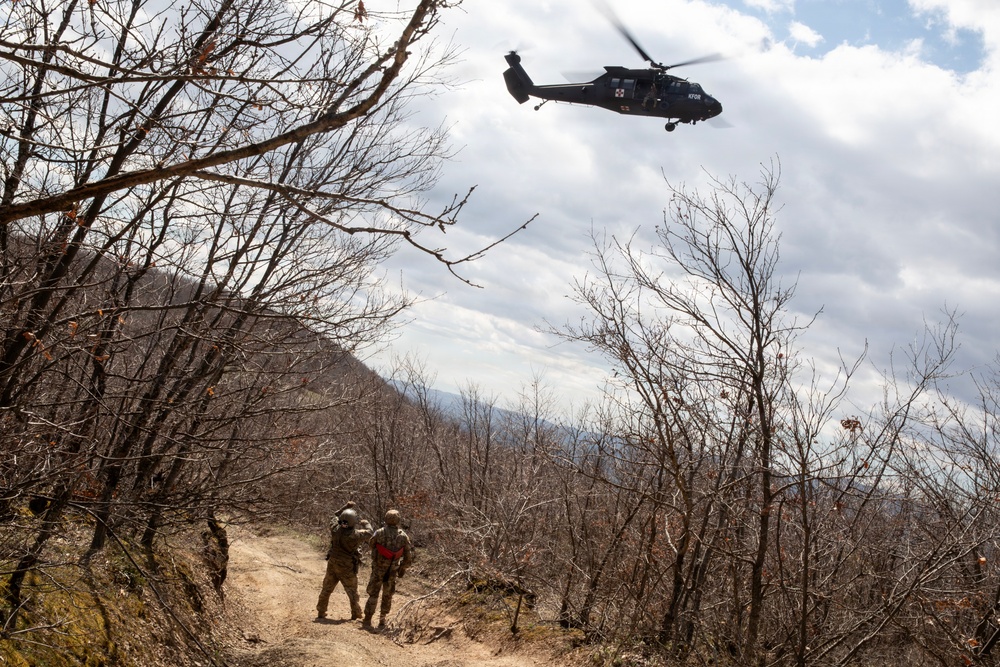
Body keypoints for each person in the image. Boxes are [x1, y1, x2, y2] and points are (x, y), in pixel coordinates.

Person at [316, 501, 373, 620]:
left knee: (327, 588)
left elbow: (335, 515)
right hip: (346, 566)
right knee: (352, 591)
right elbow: (370, 532)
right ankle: (356, 613)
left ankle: (321, 611)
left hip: (333, 563)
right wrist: (366, 523)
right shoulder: (355, 535)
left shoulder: (335, 529)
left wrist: (345, 507)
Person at [362, 509, 412, 630]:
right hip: (392, 571)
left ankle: (367, 619)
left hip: (378, 569)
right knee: (387, 595)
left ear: (386, 519)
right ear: (398, 520)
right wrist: (403, 568)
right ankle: (382, 620)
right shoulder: (403, 536)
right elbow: (408, 556)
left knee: (373, 593)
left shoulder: (379, 533)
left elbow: (371, 545)